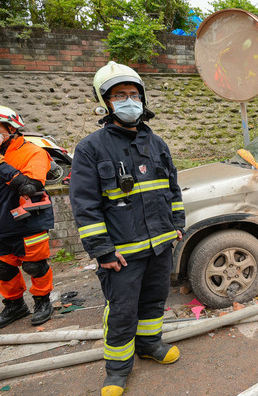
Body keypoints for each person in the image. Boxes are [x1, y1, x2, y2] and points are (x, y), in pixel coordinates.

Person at [69, 61, 186, 396]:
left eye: (134, 94)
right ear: (107, 102)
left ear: (142, 98)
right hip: (122, 254)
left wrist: (178, 225)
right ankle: (118, 371)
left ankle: (150, 344)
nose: (129, 101)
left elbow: (173, 190)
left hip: (161, 247)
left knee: (154, 301)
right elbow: (85, 206)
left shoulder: (158, 144)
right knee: (121, 312)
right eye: (120, 95)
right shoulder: (91, 148)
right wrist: (102, 251)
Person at [0, 106, 54, 328]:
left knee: (35, 266)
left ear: (11, 128)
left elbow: (31, 187)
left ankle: (43, 301)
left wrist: (1, 165)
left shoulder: (33, 152)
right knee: (3, 269)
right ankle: (15, 305)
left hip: (27, 222)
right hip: (1, 224)